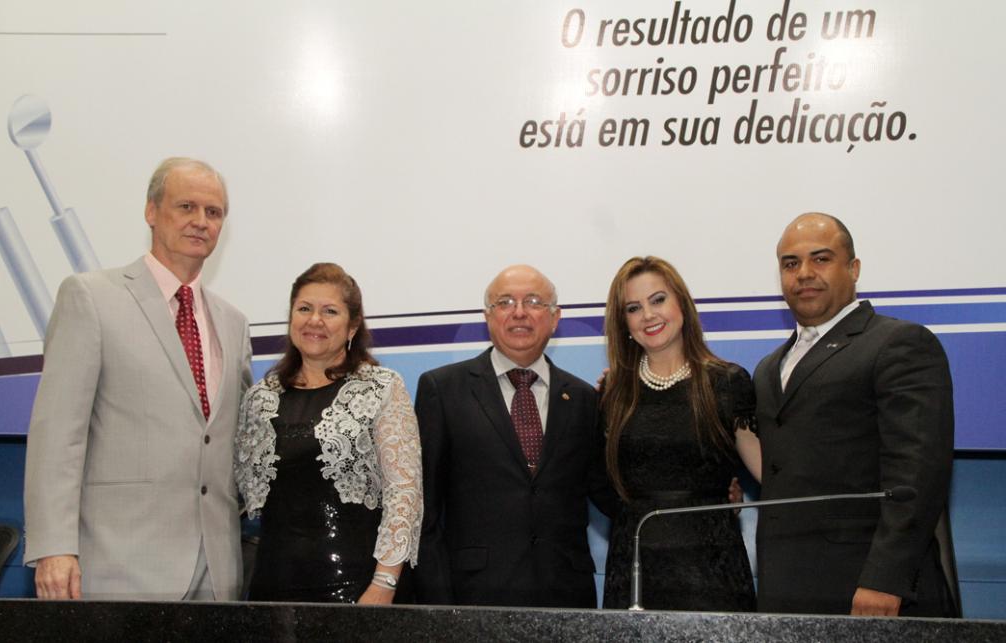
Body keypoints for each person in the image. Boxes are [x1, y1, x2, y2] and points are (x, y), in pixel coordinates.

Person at [23, 157, 253, 600]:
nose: (200, 222)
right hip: (116, 566)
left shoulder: (233, 322)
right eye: (186, 207)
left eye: (213, 212)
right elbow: (58, 433)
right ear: (151, 211)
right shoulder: (91, 298)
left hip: (218, 572)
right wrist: (54, 548)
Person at [754, 212, 955, 616]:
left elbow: (917, 472)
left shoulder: (898, 343)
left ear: (854, 268)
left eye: (821, 259)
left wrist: (886, 578)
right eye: (790, 263)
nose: (804, 273)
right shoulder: (767, 367)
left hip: (869, 592)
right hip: (785, 591)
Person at [414, 264, 617, 607]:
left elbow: (609, 493)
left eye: (534, 302)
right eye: (505, 302)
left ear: (555, 318)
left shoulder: (584, 398)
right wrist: (436, 602)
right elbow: (424, 510)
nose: (519, 312)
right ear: (488, 317)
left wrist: (703, 497)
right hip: (472, 597)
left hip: (566, 597)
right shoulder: (443, 389)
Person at [234, 262, 421, 604]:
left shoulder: (381, 388)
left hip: (358, 589)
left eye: (330, 311)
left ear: (352, 326)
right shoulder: (259, 397)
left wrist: (384, 584)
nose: (314, 320)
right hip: (272, 588)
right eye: (304, 308)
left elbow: (404, 495)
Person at [598, 256, 761, 610]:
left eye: (658, 300)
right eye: (633, 308)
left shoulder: (728, 383)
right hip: (634, 571)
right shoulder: (612, 392)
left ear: (682, 304)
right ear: (623, 322)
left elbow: (771, 473)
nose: (649, 315)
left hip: (713, 574)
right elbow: (598, 482)